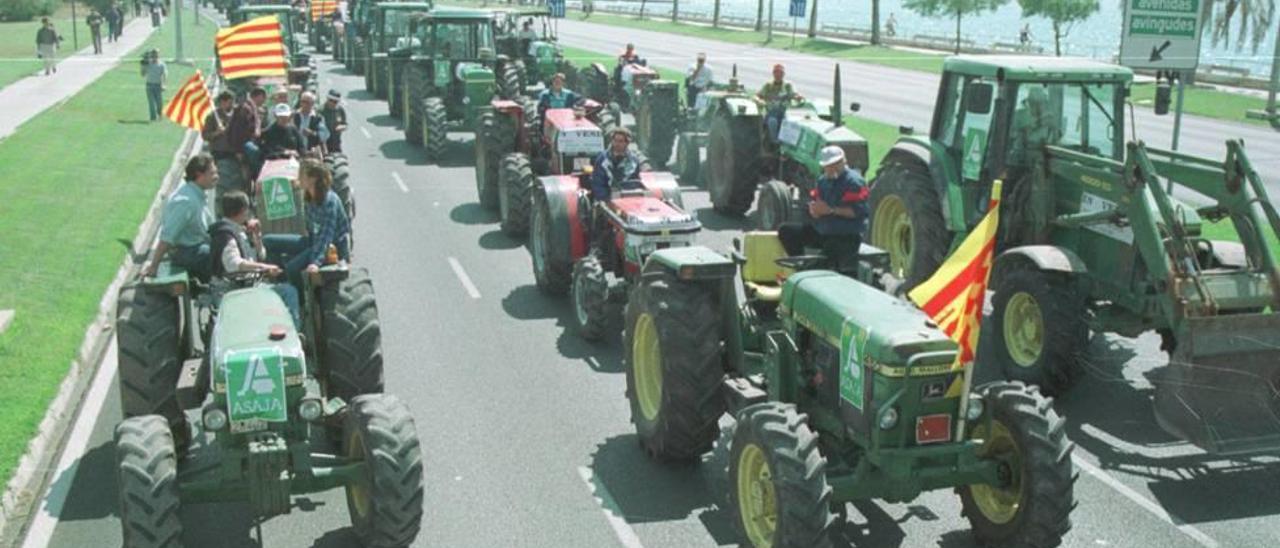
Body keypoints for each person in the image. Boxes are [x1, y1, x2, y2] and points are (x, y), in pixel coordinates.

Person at [209, 191, 302, 328]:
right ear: (242, 210)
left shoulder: (240, 230)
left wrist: (257, 237)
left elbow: (261, 255)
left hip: (249, 284)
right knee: (289, 292)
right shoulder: (226, 235)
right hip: (234, 290)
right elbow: (234, 264)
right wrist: (266, 268)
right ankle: (295, 332)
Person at [777, 146, 869, 274]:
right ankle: (800, 266)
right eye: (828, 165)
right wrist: (814, 211)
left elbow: (858, 212)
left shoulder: (854, 182)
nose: (831, 168)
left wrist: (831, 210)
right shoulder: (823, 181)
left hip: (845, 236)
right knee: (786, 231)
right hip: (823, 231)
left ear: (843, 162)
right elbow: (818, 203)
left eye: (835, 164)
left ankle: (810, 270)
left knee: (820, 264)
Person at [264, 160, 352, 283]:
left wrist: (315, 262)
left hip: (331, 248)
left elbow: (326, 237)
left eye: (301, 175)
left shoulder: (330, 201)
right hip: (313, 241)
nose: (298, 177)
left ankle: (298, 297)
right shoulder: (309, 197)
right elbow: (310, 229)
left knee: (292, 268)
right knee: (268, 241)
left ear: (312, 179)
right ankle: (281, 280)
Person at [145, 154, 218, 281]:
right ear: (199, 175)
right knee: (217, 254)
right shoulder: (185, 202)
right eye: (212, 173)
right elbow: (167, 237)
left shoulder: (198, 195)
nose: (216, 177)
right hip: (186, 252)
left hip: (197, 246)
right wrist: (153, 266)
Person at [204, 91, 244, 201]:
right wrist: (217, 132)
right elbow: (205, 135)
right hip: (221, 155)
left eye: (233, 102)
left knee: (239, 185)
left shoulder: (237, 115)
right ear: (222, 102)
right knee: (223, 186)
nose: (232, 105)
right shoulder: (213, 117)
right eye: (229, 103)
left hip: (237, 155)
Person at [589, 127, 643, 202]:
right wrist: (607, 200)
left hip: (627, 199)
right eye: (615, 140)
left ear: (627, 143)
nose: (617, 144)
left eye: (620, 141)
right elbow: (597, 183)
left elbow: (635, 182)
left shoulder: (633, 161)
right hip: (606, 200)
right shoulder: (602, 159)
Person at [756, 64, 802, 142]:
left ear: (783, 74)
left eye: (780, 73)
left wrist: (798, 97)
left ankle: (788, 142)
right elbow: (757, 96)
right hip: (772, 112)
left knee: (790, 122)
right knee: (772, 122)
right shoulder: (768, 86)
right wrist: (760, 101)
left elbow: (795, 94)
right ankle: (775, 141)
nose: (778, 75)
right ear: (773, 74)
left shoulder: (788, 86)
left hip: (785, 112)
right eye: (776, 72)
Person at [228, 87, 266, 179]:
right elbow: (237, 131)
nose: (264, 100)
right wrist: (238, 151)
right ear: (258, 96)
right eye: (263, 97)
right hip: (243, 143)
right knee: (256, 152)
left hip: (250, 140)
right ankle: (259, 175)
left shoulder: (254, 108)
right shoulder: (246, 108)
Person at [140, 49, 167, 121]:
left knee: (159, 103)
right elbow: (142, 74)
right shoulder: (148, 64)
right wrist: (143, 65)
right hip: (149, 86)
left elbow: (164, 75)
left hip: (158, 85)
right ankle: (153, 118)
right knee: (151, 103)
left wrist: (164, 85)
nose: (155, 56)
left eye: (156, 55)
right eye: (153, 55)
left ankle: (160, 114)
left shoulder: (161, 64)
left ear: (158, 55)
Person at [320, 89, 348, 154]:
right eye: (331, 100)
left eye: (335, 102)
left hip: (336, 142)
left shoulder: (340, 110)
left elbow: (345, 124)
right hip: (324, 143)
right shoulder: (321, 111)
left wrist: (342, 127)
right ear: (327, 99)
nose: (332, 103)